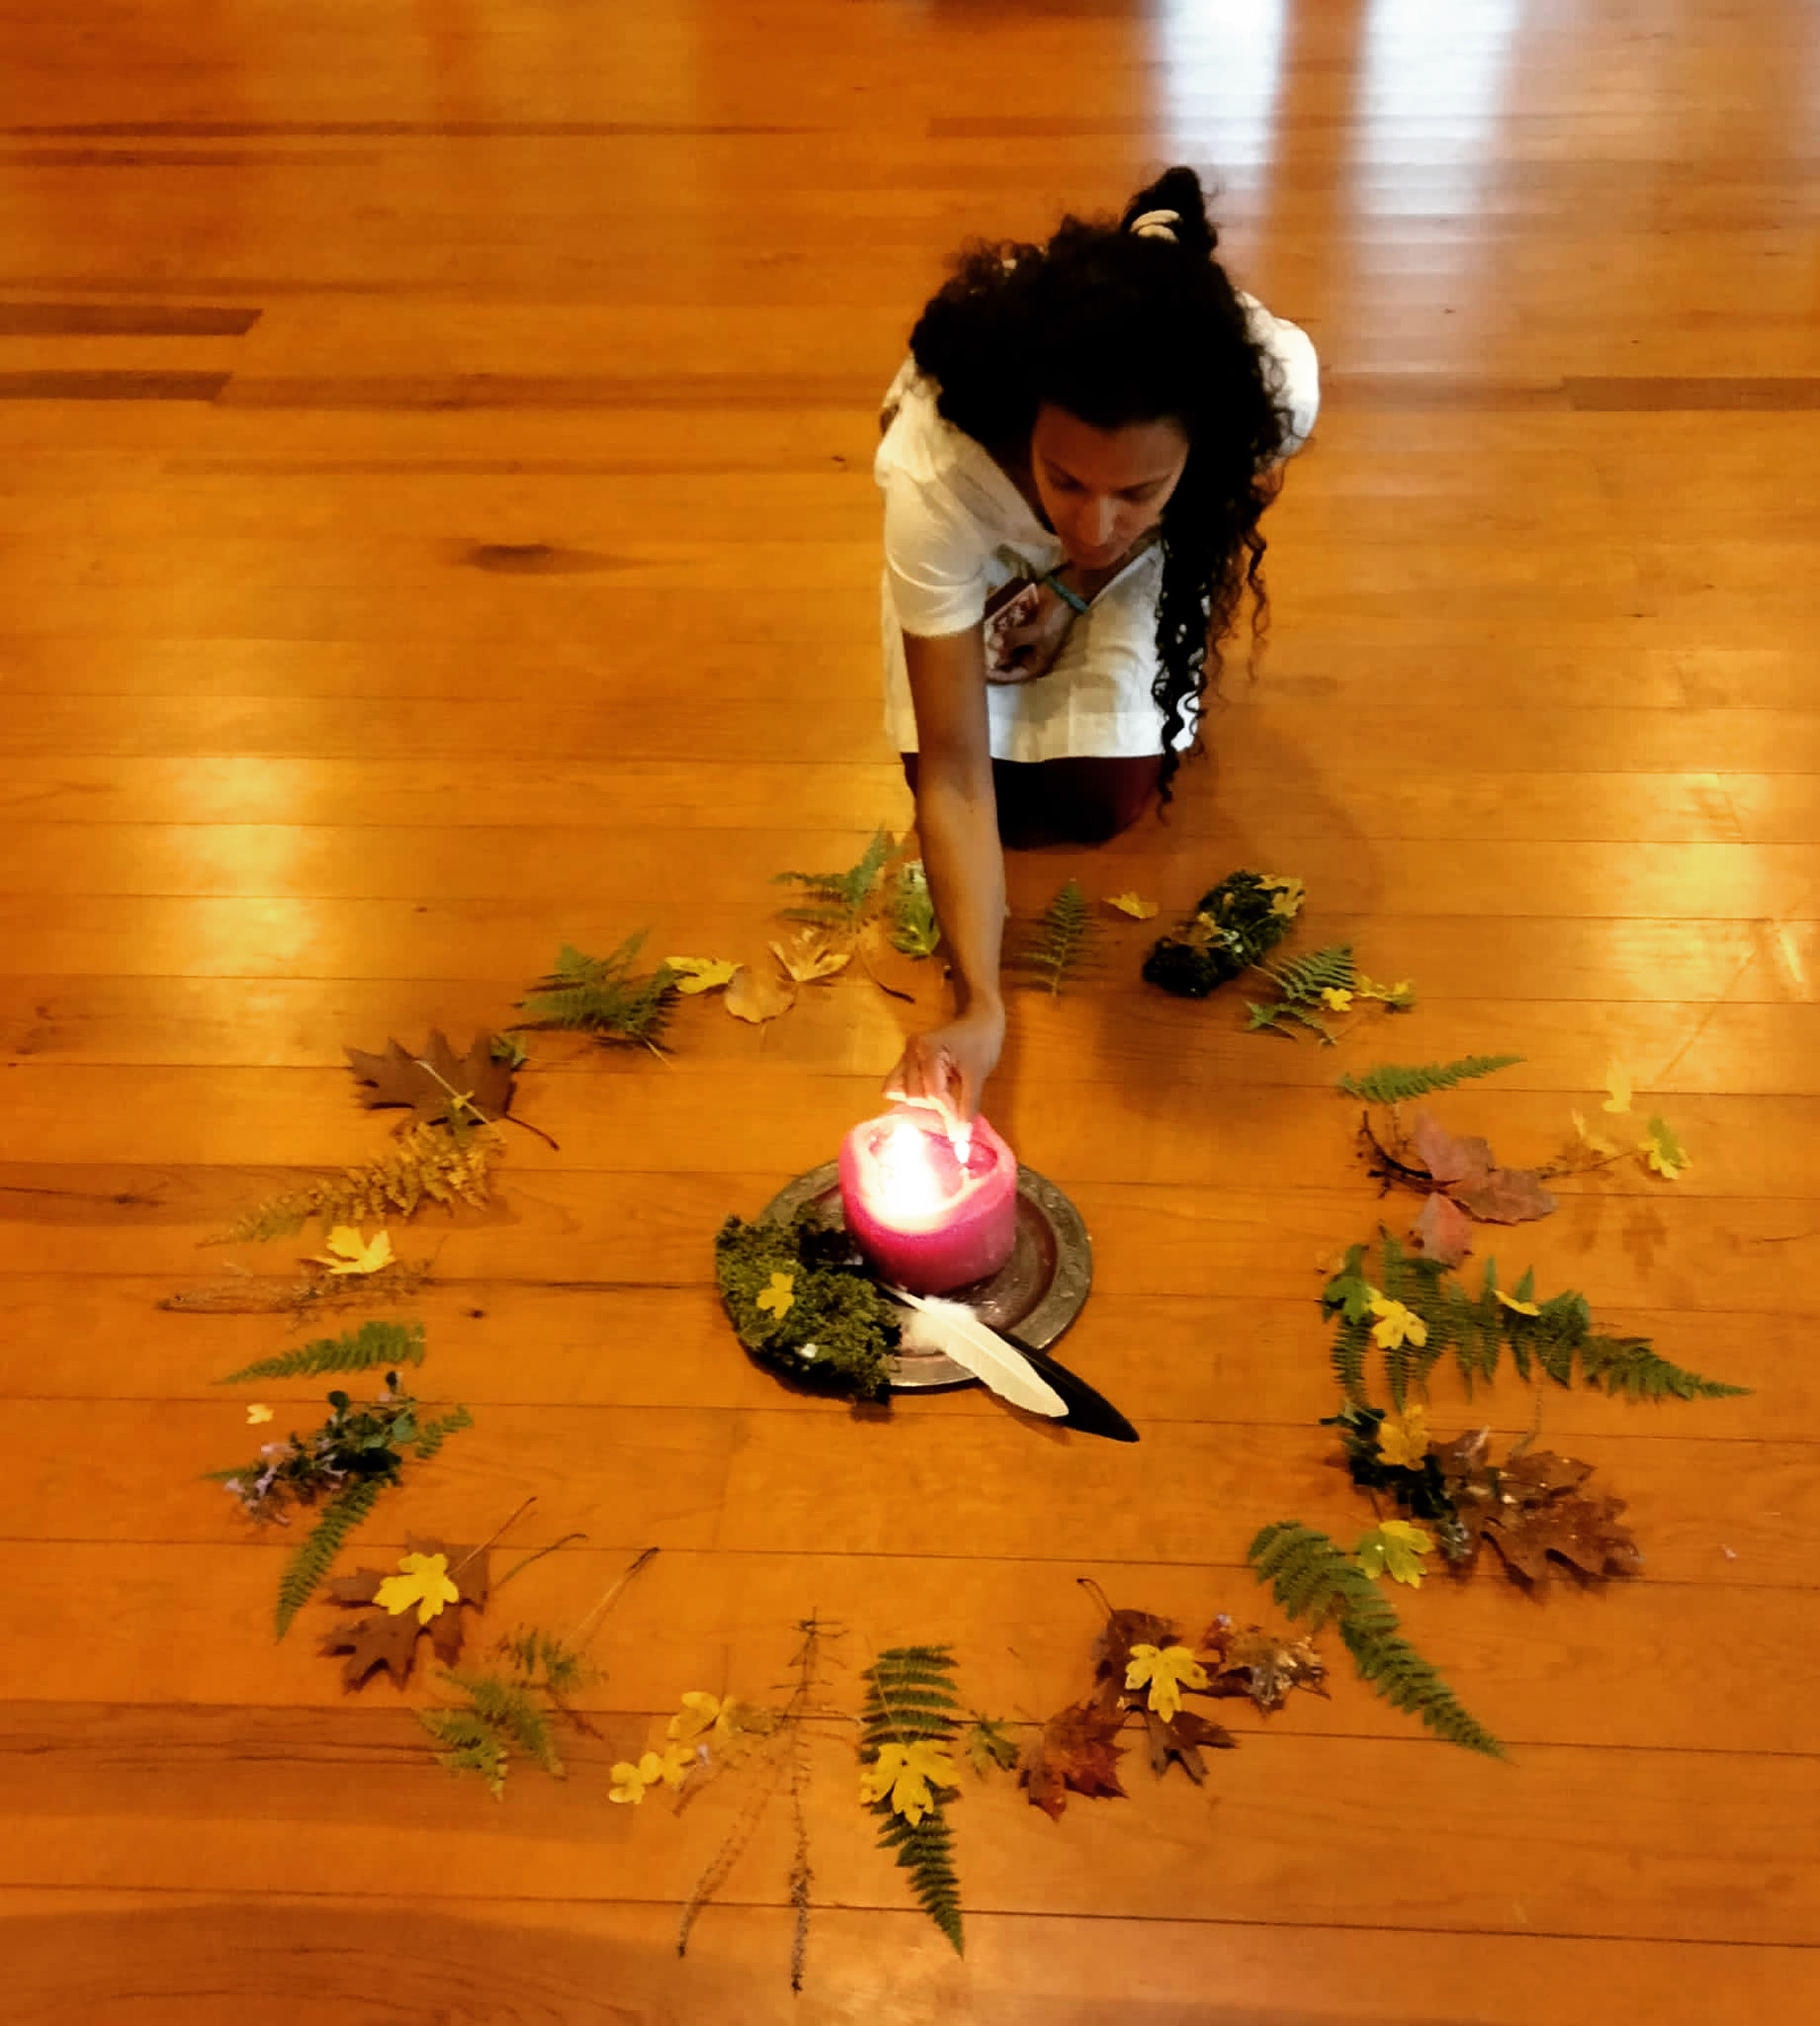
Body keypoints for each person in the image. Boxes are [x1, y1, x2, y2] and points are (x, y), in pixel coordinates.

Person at [875, 165, 1320, 1134]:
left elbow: (1223, 500)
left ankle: (1154, 244)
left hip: (1153, 543)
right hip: (992, 489)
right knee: (968, 782)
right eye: (1066, 480)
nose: (1093, 521)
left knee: (1097, 798)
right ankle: (1145, 257)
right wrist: (979, 1003)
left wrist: (1081, 580)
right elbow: (951, 770)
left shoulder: (1273, 387)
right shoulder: (938, 468)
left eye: (1137, 489)